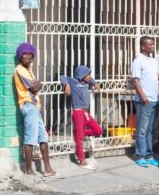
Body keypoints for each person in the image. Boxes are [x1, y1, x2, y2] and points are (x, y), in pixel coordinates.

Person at [14, 42, 55, 177]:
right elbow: (35, 87)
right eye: (25, 54)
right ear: (20, 56)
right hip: (28, 106)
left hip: (35, 107)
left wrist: (38, 84)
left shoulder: (29, 70)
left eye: (30, 55)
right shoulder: (20, 69)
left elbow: (36, 85)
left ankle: (48, 169)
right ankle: (29, 170)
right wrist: (39, 84)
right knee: (30, 138)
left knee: (43, 137)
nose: (27, 57)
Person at [60, 65, 102, 170]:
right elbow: (62, 76)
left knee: (98, 130)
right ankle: (82, 161)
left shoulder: (87, 82)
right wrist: (67, 85)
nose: (89, 76)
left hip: (85, 113)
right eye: (87, 74)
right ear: (82, 75)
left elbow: (91, 80)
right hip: (78, 112)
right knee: (79, 139)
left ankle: (79, 133)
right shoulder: (73, 82)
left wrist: (95, 83)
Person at [131, 37, 159, 169]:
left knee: (151, 130)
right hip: (145, 101)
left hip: (155, 99)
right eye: (150, 44)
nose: (152, 46)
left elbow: (157, 77)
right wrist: (143, 96)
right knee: (142, 130)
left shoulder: (152, 60)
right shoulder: (138, 60)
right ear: (143, 46)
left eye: (153, 43)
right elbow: (135, 80)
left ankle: (149, 155)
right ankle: (140, 156)